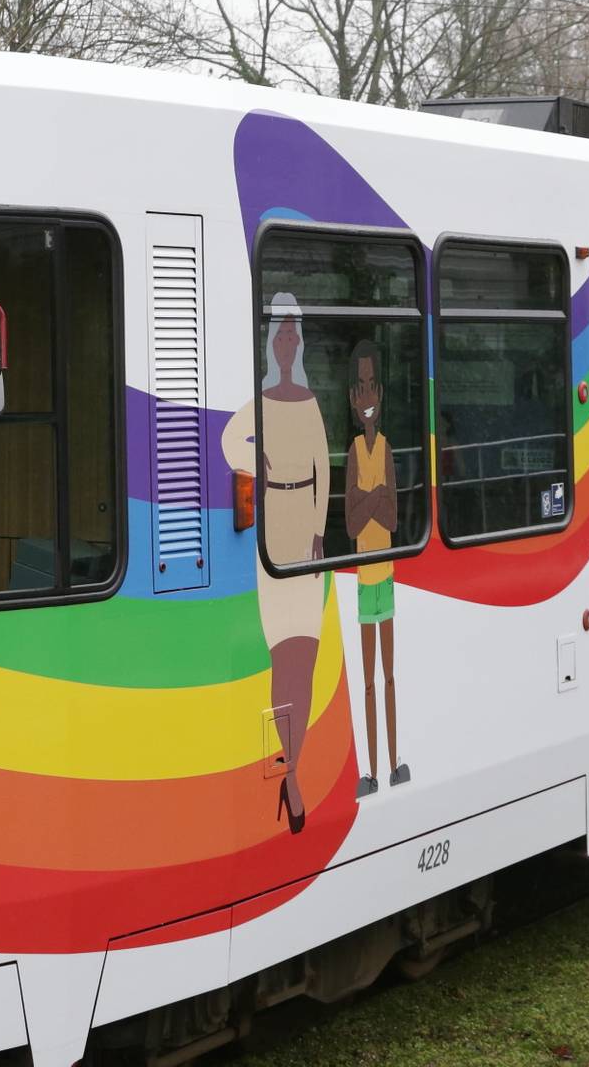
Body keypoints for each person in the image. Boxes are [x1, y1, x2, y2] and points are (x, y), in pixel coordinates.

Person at [225, 295, 329, 833]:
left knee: (304, 663)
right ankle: (288, 776)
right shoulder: (261, 401)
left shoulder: (309, 401)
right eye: (279, 334)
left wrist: (318, 530)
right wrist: (254, 467)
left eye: (293, 334)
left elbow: (324, 470)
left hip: (305, 542)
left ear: (300, 342)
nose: (286, 342)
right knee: (281, 659)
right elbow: (226, 442)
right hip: (273, 533)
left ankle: (293, 773)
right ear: (271, 343)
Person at [342, 341, 405, 795]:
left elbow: (393, 517)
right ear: (352, 397)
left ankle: (395, 762)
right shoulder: (353, 453)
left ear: (380, 393)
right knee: (367, 680)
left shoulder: (384, 449)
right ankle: (371, 772)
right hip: (365, 580)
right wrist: (374, 495)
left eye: (371, 387)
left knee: (388, 676)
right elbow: (352, 520)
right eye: (359, 389)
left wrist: (372, 501)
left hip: (385, 576)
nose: (366, 399)